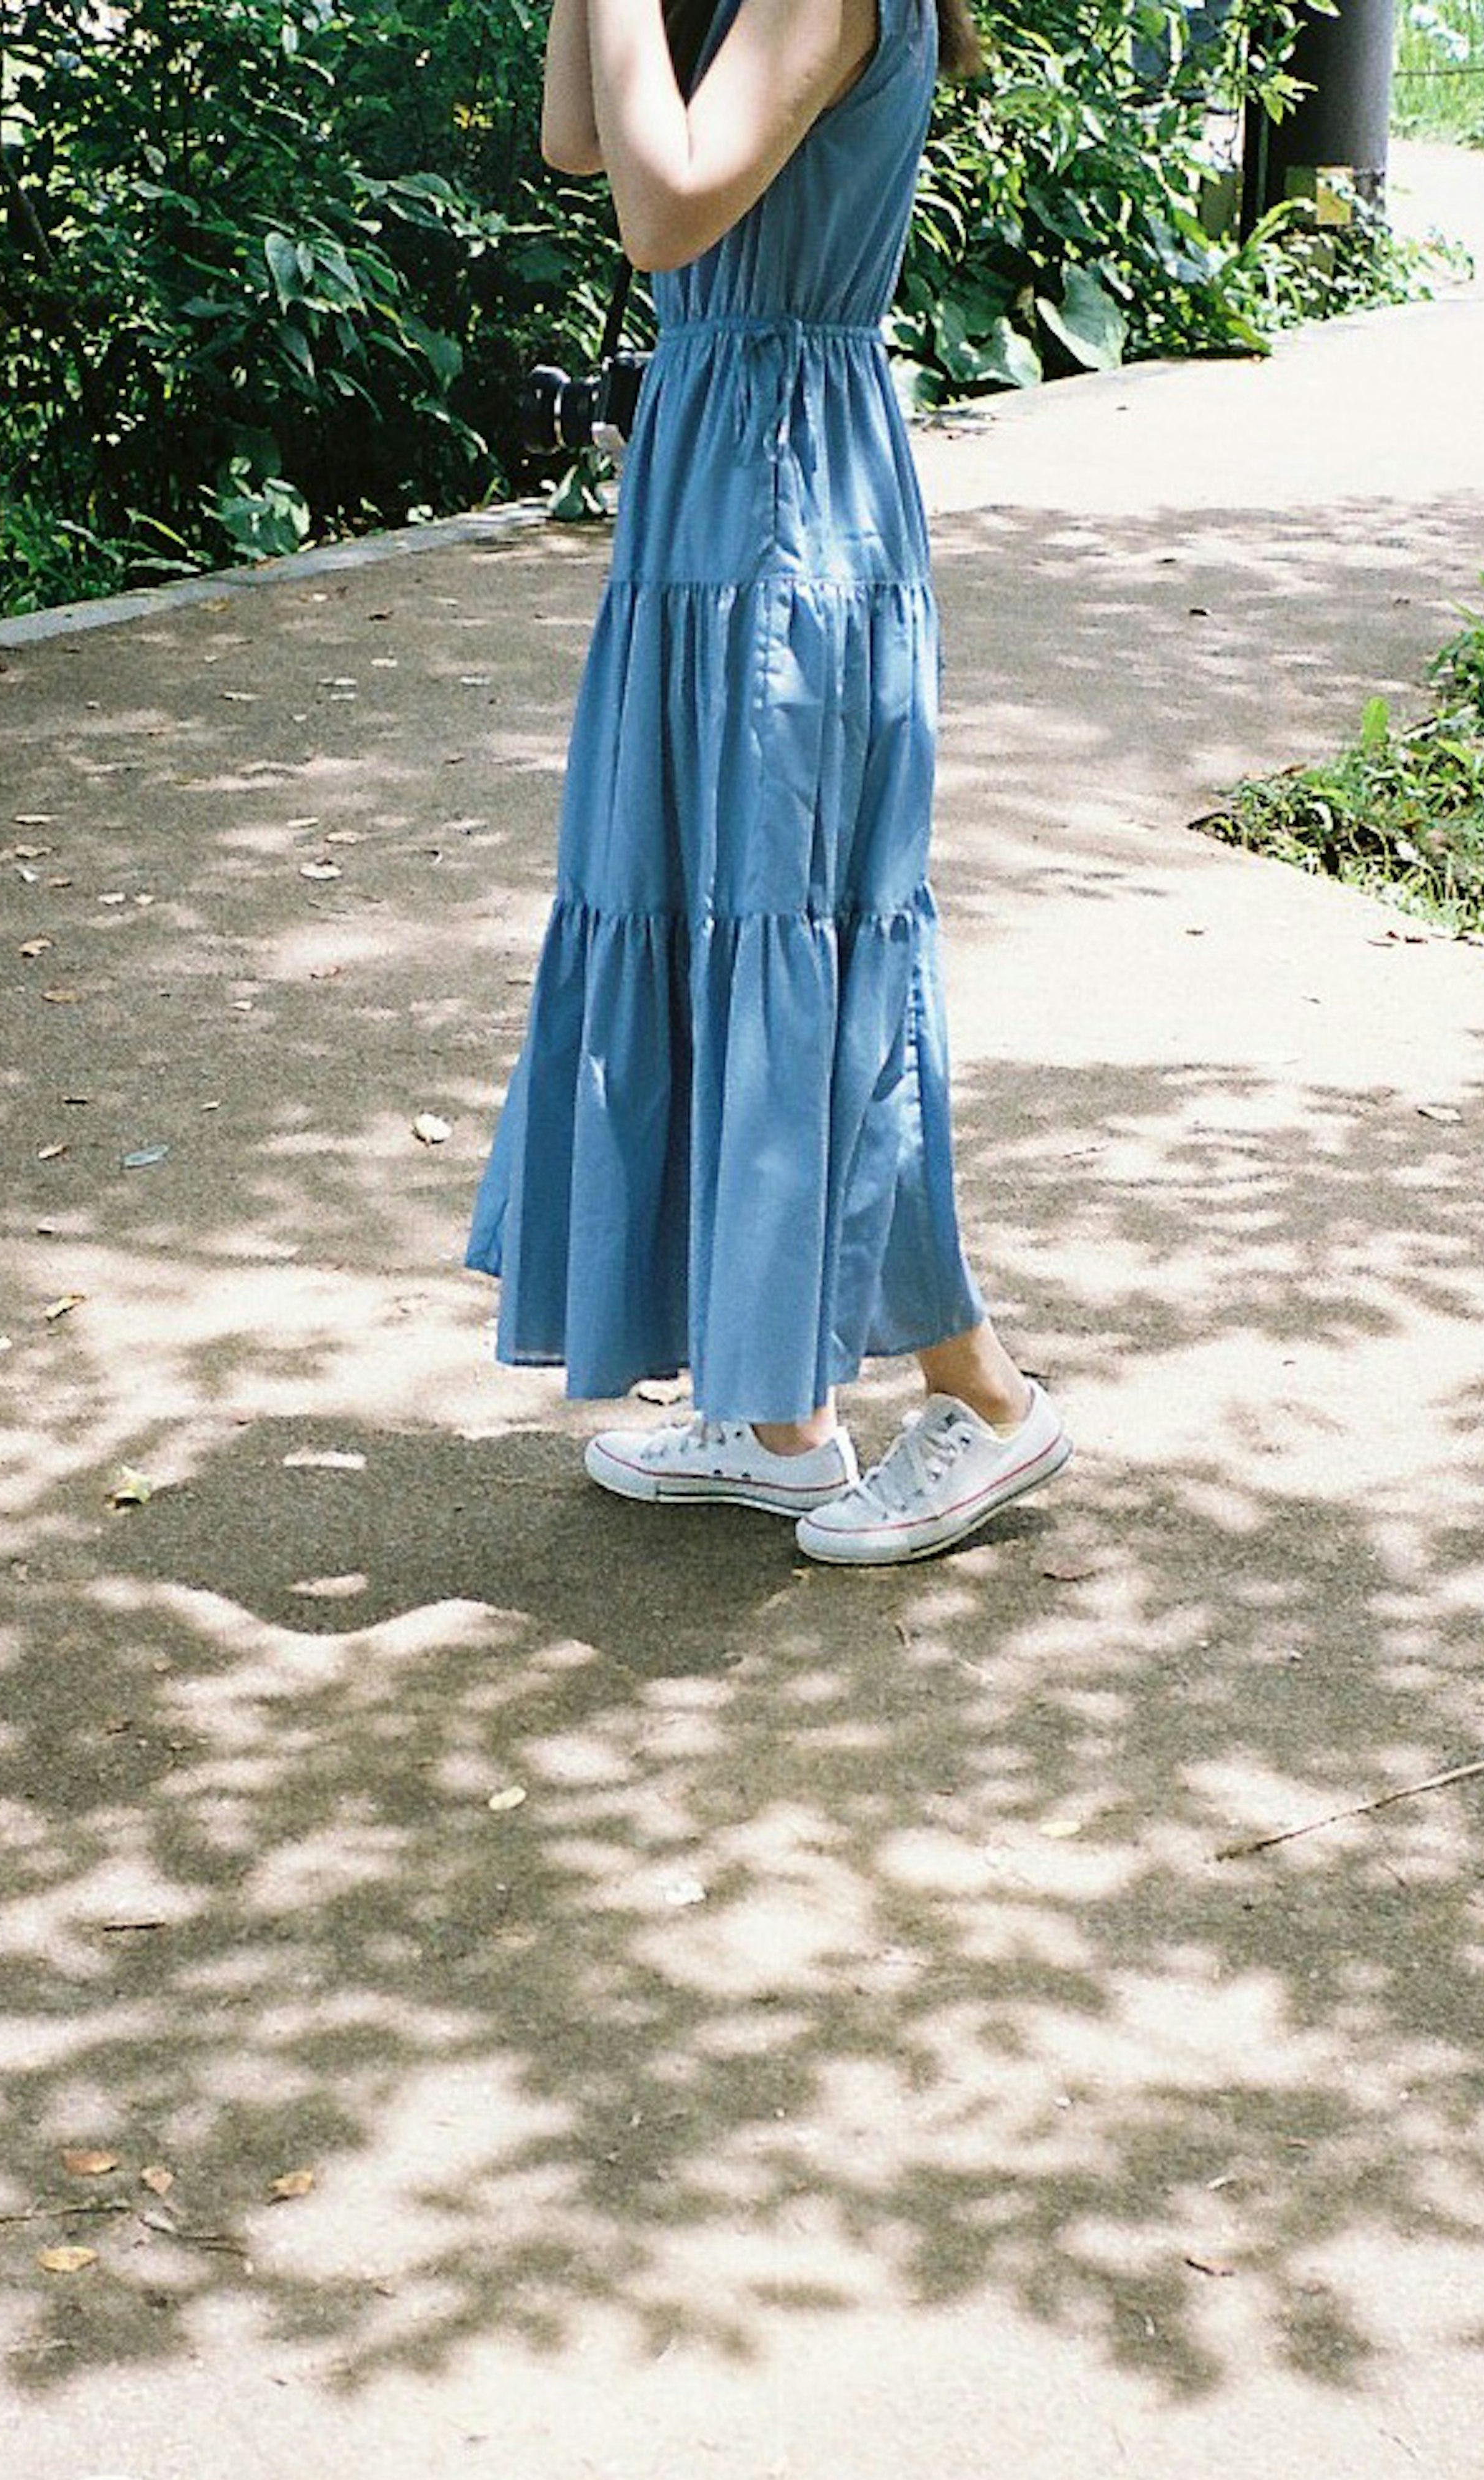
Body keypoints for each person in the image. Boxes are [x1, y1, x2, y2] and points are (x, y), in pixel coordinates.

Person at [465, 0, 1070, 1566]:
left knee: (804, 932)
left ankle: (990, 1400)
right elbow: (582, 140)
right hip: (715, 478)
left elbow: (664, 211)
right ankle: (780, 1416)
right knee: (700, 904)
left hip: (790, 491)